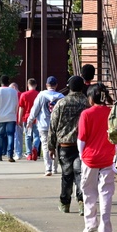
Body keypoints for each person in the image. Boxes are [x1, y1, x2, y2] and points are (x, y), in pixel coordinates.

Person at [78, 84, 116, 232]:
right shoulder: (112, 113)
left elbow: (81, 139)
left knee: (89, 191)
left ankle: (90, 223)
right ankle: (105, 226)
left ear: (91, 98)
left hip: (90, 158)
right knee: (106, 192)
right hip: (108, 157)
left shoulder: (86, 114)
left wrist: (82, 155)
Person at [49, 76, 90, 213]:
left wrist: (51, 145)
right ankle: (82, 202)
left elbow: (53, 125)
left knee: (66, 175)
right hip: (83, 145)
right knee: (80, 174)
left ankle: (64, 203)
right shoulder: (86, 103)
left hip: (65, 144)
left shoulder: (61, 103)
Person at [28, 77, 65, 176]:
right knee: (56, 146)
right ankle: (54, 168)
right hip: (57, 125)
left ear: (46, 85)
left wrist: (30, 120)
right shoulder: (61, 97)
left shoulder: (41, 95)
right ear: (56, 85)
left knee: (45, 146)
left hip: (44, 124)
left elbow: (35, 109)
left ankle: (47, 168)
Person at [0, 75, 19, 162]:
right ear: (8, 81)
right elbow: (16, 104)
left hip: (0, 117)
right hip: (11, 116)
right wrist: (14, 114)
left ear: (0, 82)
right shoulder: (14, 92)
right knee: (11, 135)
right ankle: (10, 154)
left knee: (0, 136)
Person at [19, 78, 41, 160]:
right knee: (37, 135)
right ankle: (35, 147)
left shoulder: (24, 95)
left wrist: (20, 119)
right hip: (37, 118)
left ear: (28, 85)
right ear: (36, 85)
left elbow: (21, 108)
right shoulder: (39, 95)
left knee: (28, 136)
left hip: (26, 117)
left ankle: (29, 153)